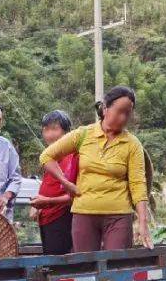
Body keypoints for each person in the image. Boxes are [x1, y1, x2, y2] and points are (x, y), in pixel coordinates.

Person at [38, 85, 152, 252]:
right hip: (84, 213)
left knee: (115, 267)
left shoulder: (132, 144)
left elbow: (138, 185)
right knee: (85, 269)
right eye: (120, 111)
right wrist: (65, 182)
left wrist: (143, 223)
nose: (124, 118)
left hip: (118, 216)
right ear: (105, 108)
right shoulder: (83, 134)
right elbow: (46, 157)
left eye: (128, 113)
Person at [30, 110, 77, 255]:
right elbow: (49, 187)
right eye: (46, 130)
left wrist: (48, 202)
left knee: (59, 267)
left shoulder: (71, 158)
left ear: (67, 132)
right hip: (46, 219)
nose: (49, 134)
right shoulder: (50, 157)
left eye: (54, 129)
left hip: (62, 219)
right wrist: (37, 206)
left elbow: (75, 196)